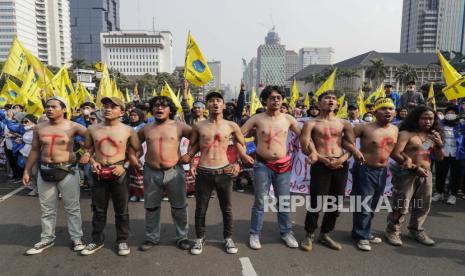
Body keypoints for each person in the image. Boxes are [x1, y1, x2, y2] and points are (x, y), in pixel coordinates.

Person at [186, 91, 252, 255]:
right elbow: (193, 147)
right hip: (204, 172)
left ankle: (228, 238)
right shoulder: (199, 126)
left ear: (223, 104)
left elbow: (240, 146)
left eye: (218, 101)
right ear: (206, 105)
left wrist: (238, 163)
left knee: (227, 208)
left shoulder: (231, 126)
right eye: (212, 101)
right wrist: (191, 161)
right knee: (201, 208)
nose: (215, 103)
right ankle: (200, 238)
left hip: (224, 171)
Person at [299, 91, 363, 252]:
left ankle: (326, 233)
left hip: (340, 165)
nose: (331, 101)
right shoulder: (311, 123)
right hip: (321, 165)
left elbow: (350, 146)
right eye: (327, 98)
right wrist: (321, 158)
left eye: (334, 98)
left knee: (335, 202)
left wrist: (342, 159)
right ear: (319, 103)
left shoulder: (344, 124)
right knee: (317, 201)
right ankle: (309, 234)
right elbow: (305, 146)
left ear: (337, 104)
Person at [23, 96, 87, 255]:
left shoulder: (74, 126)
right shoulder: (39, 128)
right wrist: (26, 170)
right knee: (47, 209)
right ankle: (47, 238)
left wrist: (87, 154)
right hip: (44, 170)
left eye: (53, 106)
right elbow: (35, 150)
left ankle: (77, 238)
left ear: (64, 109)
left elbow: (94, 138)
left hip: (67, 171)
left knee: (72, 208)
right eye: (47, 106)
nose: (49, 109)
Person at [240, 85, 301, 250]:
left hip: (283, 165)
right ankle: (254, 234)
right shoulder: (257, 118)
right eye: (272, 98)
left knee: (284, 202)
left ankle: (286, 232)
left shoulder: (288, 119)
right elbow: (239, 134)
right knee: (260, 201)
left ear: (282, 100)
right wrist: (243, 154)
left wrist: (313, 151)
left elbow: (304, 135)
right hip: (262, 165)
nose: (276, 100)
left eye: (279, 98)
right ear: (265, 100)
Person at [81, 97, 141, 256]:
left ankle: (122, 240)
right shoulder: (92, 129)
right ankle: (97, 240)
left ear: (121, 112)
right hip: (98, 172)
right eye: (105, 106)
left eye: (113, 107)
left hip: (119, 171)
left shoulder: (128, 130)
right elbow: (87, 149)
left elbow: (137, 151)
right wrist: (92, 161)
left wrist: (125, 165)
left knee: (121, 209)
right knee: (98, 209)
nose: (108, 109)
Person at [136, 96, 192, 252]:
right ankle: (151, 237)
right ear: (151, 109)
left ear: (170, 110)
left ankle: (182, 237)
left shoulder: (179, 126)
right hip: (151, 171)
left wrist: (190, 154)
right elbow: (134, 143)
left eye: (163, 106)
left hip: (174, 171)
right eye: (155, 106)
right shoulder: (146, 128)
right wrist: (134, 156)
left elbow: (197, 137)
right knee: (151, 207)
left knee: (179, 206)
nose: (159, 109)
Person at [386, 106, 443, 246]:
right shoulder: (406, 133)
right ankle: (393, 230)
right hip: (406, 173)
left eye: (431, 118)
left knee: (423, 204)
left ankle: (416, 230)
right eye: (424, 118)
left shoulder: (433, 135)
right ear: (416, 118)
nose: (428, 121)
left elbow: (440, 158)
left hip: (426, 173)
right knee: (401, 203)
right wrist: (414, 168)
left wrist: (439, 144)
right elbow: (395, 153)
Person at [351, 98, 398, 251]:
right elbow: (346, 140)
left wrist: (408, 161)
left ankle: (362, 231)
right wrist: (355, 151)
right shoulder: (363, 127)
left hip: (383, 171)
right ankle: (362, 236)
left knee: (373, 204)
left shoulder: (395, 130)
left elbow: (395, 152)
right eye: (383, 108)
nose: (387, 111)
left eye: (390, 109)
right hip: (365, 169)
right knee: (364, 203)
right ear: (375, 111)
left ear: (395, 112)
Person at [432, 106, 465, 205]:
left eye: (453, 112)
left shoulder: (461, 125)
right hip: (442, 153)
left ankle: (453, 195)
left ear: (456, 114)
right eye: (448, 112)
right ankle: (439, 192)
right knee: (440, 173)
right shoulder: (439, 124)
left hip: (458, 154)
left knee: (456, 175)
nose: (450, 114)